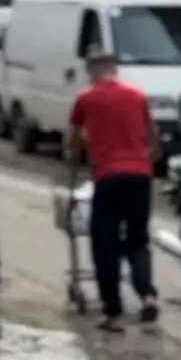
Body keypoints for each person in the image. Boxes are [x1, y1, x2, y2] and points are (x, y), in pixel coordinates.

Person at [67, 44, 160, 333]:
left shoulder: (86, 98)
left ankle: (113, 313)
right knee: (137, 240)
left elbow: (72, 140)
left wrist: (75, 160)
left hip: (108, 177)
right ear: (115, 69)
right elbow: (154, 138)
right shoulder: (137, 95)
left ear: (92, 71)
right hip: (140, 177)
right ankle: (146, 296)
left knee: (104, 244)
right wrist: (146, 160)